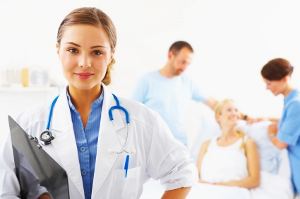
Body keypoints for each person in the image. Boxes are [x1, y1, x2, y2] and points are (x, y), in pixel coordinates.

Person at [0, 7, 197, 199]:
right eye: (73, 50)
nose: (84, 62)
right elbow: (6, 190)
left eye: (97, 52)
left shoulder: (142, 121)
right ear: (58, 50)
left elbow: (182, 173)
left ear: (111, 54)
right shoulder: (28, 124)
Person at [132, 41, 217, 145]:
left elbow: (211, 102)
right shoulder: (147, 80)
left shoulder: (187, 82)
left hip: (179, 144)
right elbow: (132, 111)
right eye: (183, 62)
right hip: (152, 143)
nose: (185, 67)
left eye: (188, 64)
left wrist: (234, 113)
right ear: (170, 55)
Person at [190, 99, 260, 199]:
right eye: (229, 110)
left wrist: (219, 185)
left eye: (236, 110)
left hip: (234, 192)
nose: (234, 113)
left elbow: (254, 180)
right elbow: (197, 176)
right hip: (205, 191)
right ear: (218, 116)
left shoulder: (247, 142)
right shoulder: (206, 145)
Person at [261, 58, 300, 198]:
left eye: (269, 83)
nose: (267, 87)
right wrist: (263, 119)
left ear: (284, 79)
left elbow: (280, 143)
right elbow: (287, 121)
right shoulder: (290, 101)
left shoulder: (296, 104)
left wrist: (271, 133)